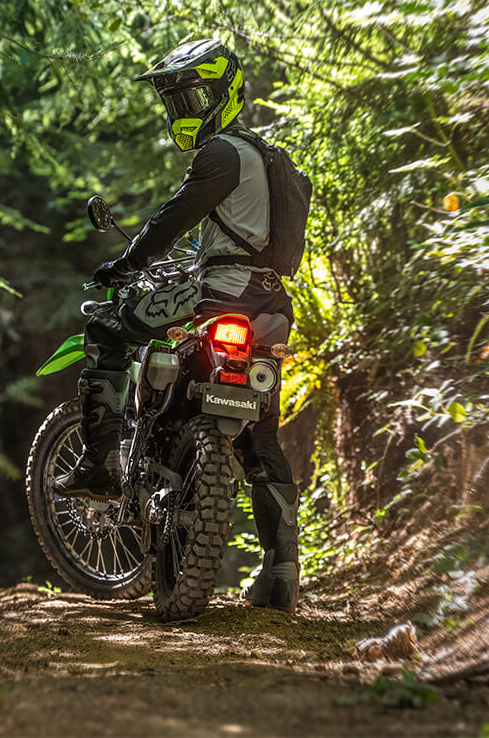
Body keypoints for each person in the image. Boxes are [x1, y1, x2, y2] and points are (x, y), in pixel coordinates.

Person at [52, 38, 300, 613]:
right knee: (261, 437)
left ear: (222, 96)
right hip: (271, 306)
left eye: (192, 98)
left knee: (108, 330)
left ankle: (98, 466)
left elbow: (170, 221)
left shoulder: (221, 153)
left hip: (218, 295)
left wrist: (125, 264)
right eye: (178, 101)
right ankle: (280, 576)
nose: (184, 110)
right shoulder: (274, 162)